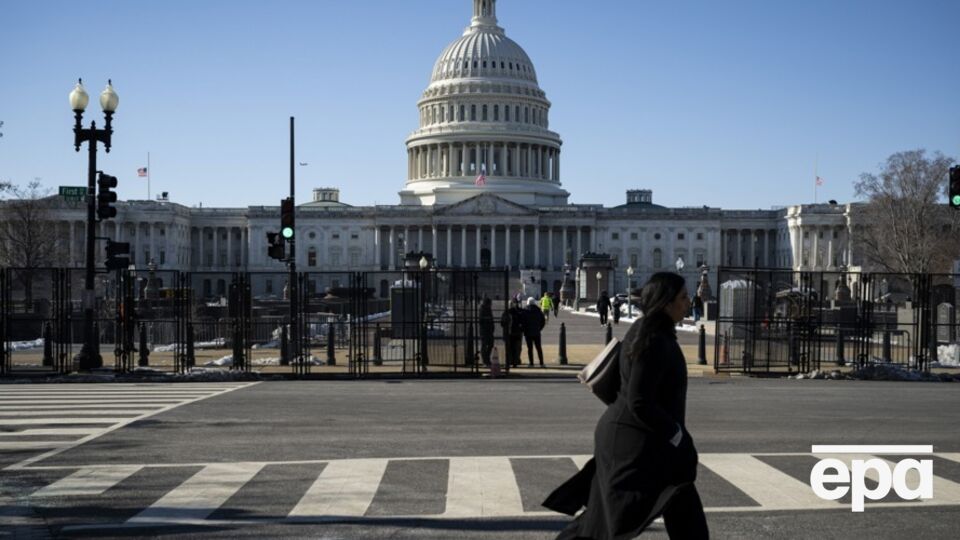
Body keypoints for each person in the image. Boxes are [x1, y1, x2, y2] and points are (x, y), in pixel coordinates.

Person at [547, 272, 707, 539]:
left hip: (644, 439)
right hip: (635, 444)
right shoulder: (653, 339)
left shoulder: (652, 332)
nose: (689, 302)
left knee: (682, 512)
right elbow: (639, 401)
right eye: (683, 297)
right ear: (666, 303)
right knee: (606, 523)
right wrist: (677, 435)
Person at [500, 299, 525, 367]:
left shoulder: (508, 312)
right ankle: (514, 361)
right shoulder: (518, 312)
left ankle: (512, 361)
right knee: (515, 348)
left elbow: (502, 323)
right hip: (515, 333)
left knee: (513, 348)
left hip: (513, 333)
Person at [522, 297, 546, 367]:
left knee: (530, 349)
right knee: (538, 348)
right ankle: (541, 363)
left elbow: (523, 322)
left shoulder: (525, 310)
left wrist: (524, 329)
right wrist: (539, 328)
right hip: (536, 332)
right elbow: (543, 321)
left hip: (528, 332)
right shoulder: (538, 310)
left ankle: (531, 363)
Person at [479, 297, 495, 366]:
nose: (491, 305)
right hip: (484, 331)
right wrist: (487, 319)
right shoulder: (482, 309)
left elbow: (491, 319)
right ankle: (485, 360)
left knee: (491, 344)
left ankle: (487, 359)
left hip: (489, 330)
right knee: (484, 345)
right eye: (490, 304)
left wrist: (492, 327)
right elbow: (481, 320)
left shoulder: (489, 309)